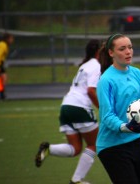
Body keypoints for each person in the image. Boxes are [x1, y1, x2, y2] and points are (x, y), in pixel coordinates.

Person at [35, 39, 101, 184]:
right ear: (98, 52)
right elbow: (90, 91)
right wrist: (102, 107)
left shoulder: (85, 65)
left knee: (75, 148)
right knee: (94, 144)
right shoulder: (96, 65)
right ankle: (76, 180)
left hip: (66, 106)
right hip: (80, 107)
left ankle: (49, 149)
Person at [96, 33, 140, 184]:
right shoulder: (106, 80)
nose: (128, 52)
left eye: (130, 47)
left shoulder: (137, 73)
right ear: (111, 53)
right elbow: (107, 116)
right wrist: (126, 127)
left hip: (134, 140)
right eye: (122, 49)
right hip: (111, 146)